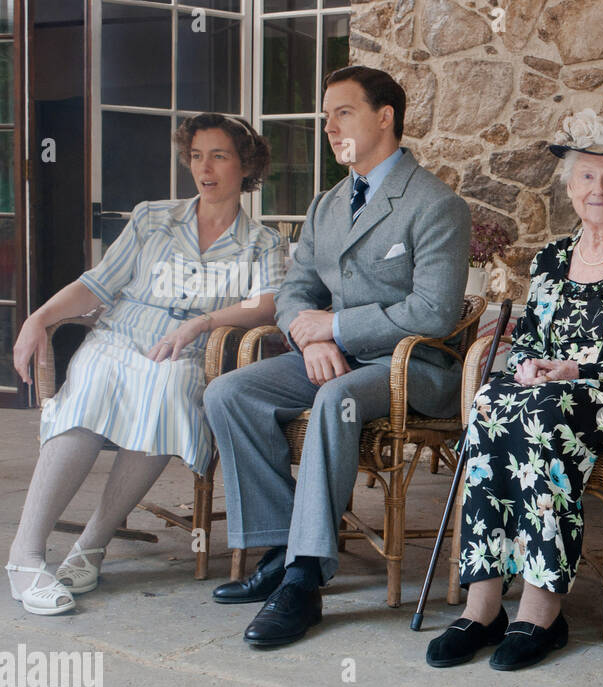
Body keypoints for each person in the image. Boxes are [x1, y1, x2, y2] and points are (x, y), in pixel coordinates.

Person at [203, 66, 470, 648]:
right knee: (229, 391)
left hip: (413, 367)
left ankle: (304, 580)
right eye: (326, 116)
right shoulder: (327, 205)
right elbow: (297, 289)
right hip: (334, 357)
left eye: (341, 113)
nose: (328, 127)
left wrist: (340, 327)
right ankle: (280, 548)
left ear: (384, 117)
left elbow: (434, 313)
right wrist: (315, 338)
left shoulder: (435, 203)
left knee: (335, 399)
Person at [424, 110, 603, 672]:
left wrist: (573, 370)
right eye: (587, 177)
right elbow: (528, 341)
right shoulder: (550, 258)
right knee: (493, 403)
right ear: (570, 187)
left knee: (543, 414)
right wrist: (529, 368)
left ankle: (542, 609)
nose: (599, 189)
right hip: (557, 393)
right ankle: (484, 605)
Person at [7, 115, 283, 615]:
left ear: (247, 166)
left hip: (188, 350)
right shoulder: (151, 217)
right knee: (90, 386)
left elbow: (266, 305)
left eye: (219, 155)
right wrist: (39, 317)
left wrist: (201, 323)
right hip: (121, 334)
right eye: (197, 155)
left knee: (168, 390)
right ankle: (25, 555)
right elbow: (97, 284)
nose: (205, 167)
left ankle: (91, 544)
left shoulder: (263, 242)